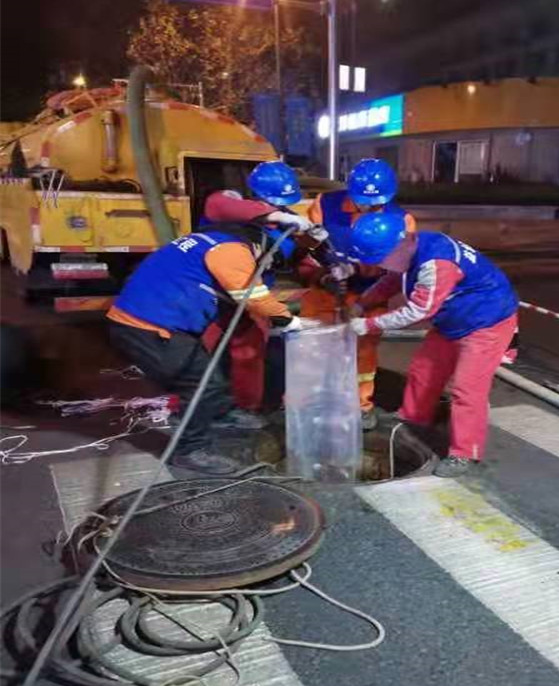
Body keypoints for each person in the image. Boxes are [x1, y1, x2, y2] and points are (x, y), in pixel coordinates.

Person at [107, 216, 319, 476]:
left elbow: (232, 303)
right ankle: (189, 450)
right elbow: (251, 295)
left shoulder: (219, 239)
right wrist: (288, 321)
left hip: (157, 320)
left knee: (213, 369)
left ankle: (220, 412)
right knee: (200, 384)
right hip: (145, 327)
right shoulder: (232, 252)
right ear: (264, 251)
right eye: (270, 264)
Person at [346, 209, 519, 478]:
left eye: (381, 258)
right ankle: (413, 419)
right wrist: (361, 303)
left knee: (466, 388)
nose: (379, 264)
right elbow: (392, 280)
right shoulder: (411, 249)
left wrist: (368, 324)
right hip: (453, 320)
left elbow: (418, 311)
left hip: (487, 323)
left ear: (401, 243)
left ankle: (465, 453)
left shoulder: (436, 265)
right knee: (424, 371)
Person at [298, 159, 416, 430]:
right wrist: (322, 274)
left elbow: (397, 267)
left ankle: (360, 406)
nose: (368, 207)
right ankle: (304, 404)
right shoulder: (324, 204)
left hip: (369, 293)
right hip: (324, 291)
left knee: (363, 353)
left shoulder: (402, 220)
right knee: (311, 347)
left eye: (376, 203)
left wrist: (367, 284)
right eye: (362, 200)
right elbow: (304, 248)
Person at [200, 162, 315, 414]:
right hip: (209, 297)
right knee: (201, 354)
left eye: (282, 203)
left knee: (250, 353)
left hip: (250, 299)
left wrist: (323, 273)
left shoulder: (284, 226)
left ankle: (246, 408)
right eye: (273, 201)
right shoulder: (227, 205)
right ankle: (194, 409)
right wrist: (277, 215)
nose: (278, 207)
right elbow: (218, 204)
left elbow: (297, 259)